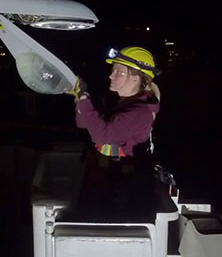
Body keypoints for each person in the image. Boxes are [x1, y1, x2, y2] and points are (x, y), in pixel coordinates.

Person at [66, 46, 163, 222]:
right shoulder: (123, 103)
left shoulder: (139, 111)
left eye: (118, 72)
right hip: (107, 175)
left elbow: (102, 135)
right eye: (112, 71)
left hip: (122, 185)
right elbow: (83, 124)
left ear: (135, 78)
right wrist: (80, 101)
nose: (111, 76)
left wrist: (83, 100)